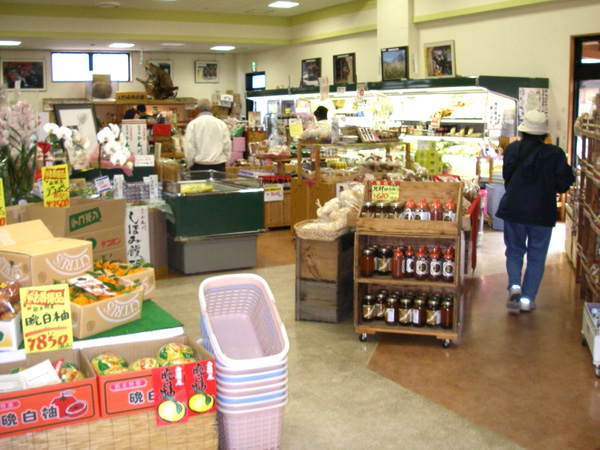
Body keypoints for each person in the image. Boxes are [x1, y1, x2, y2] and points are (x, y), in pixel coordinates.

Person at [496, 109, 575, 314]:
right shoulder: (555, 153)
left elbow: (507, 177)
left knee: (514, 250)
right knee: (536, 256)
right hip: (542, 211)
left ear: (523, 131)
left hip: (514, 208)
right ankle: (527, 299)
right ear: (543, 134)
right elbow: (564, 183)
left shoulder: (512, 149)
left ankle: (514, 285)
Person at [184, 98, 232, 172]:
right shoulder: (221, 124)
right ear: (211, 108)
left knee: (200, 184)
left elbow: (189, 147)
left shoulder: (193, 124)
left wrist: (190, 163)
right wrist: (225, 158)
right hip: (218, 165)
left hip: (199, 165)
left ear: (198, 109)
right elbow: (227, 145)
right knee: (218, 184)